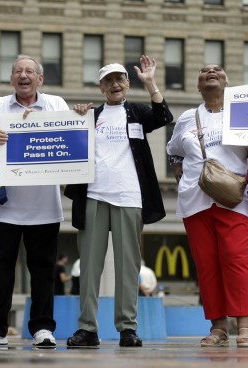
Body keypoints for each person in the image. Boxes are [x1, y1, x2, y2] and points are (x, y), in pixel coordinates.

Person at [65, 57, 172, 348]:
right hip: (93, 196)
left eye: (119, 80)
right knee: (88, 267)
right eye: (108, 81)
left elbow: (163, 117)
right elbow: (69, 143)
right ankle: (87, 328)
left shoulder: (137, 111)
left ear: (127, 84)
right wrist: (76, 118)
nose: (114, 85)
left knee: (128, 267)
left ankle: (127, 328)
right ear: (100, 87)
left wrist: (150, 83)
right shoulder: (91, 115)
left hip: (129, 196)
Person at [166, 64, 248, 348]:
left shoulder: (243, 113)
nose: (211, 72)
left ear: (227, 82)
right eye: (204, 71)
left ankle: (245, 327)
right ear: (198, 85)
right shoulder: (187, 117)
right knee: (207, 265)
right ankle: (218, 328)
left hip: (233, 198)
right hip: (194, 200)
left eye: (218, 70)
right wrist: (178, 170)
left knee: (236, 260)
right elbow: (173, 149)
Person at [0, 55, 69, 348]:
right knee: (0, 270)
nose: (23, 76)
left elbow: (69, 142)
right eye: (17, 71)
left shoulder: (56, 104)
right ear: (11, 79)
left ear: (40, 79)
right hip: (6, 206)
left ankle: (42, 329)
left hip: (45, 206)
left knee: (43, 271)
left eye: (29, 71)